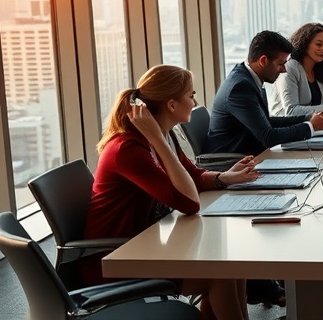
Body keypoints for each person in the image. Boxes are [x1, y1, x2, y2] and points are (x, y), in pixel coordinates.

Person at [82, 65, 258, 320]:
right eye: (190, 95)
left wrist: (223, 178)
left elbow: (191, 174)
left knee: (231, 265)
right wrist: (156, 140)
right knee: (219, 275)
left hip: (144, 247)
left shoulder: (164, 136)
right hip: (115, 261)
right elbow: (188, 202)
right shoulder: (129, 149)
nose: (195, 101)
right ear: (172, 105)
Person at [206, 30, 323, 157]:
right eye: (281, 64)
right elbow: (268, 137)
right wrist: (311, 126)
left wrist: (308, 118)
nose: (284, 70)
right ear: (263, 61)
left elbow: (266, 121)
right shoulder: (240, 87)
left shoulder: (250, 78)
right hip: (234, 162)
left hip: (251, 155)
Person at [271, 23, 323, 117]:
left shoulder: (320, 70)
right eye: (319, 44)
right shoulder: (290, 68)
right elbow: (291, 111)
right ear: (305, 44)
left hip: (314, 127)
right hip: (287, 128)